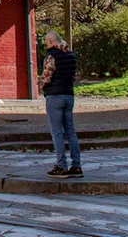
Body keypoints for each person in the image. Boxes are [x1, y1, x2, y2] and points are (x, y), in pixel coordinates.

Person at [40, 31, 81, 178]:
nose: (46, 44)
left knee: (57, 132)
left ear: (51, 41)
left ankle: (61, 166)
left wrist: (42, 86)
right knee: (70, 131)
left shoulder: (52, 56)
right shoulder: (71, 55)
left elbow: (47, 77)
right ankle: (76, 166)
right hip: (69, 95)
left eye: (46, 41)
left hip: (55, 96)